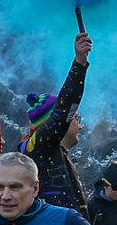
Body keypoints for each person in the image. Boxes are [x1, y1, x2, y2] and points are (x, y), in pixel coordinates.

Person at [22, 33, 94, 211]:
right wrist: (79, 64)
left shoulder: (57, 154)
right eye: (76, 118)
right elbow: (64, 108)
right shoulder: (39, 148)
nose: (80, 125)